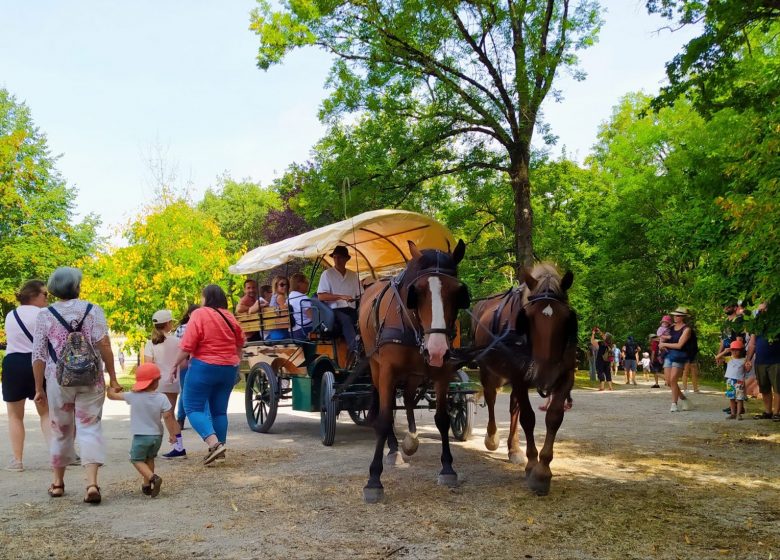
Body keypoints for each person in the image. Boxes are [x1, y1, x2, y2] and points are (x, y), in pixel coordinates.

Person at [31, 267, 121, 503]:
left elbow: (38, 354)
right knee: (89, 428)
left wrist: (38, 388)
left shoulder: (45, 315)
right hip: (92, 379)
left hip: (59, 380)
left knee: (61, 430)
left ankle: (58, 483)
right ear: (76, 286)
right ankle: (91, 484)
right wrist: (113, 376)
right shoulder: (93, 310)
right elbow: (105, 345)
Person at [170, 285, 244, 465]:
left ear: (206, 298)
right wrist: (236, 362)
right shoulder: (229, 316)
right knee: (219, 411)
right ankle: (219, 448)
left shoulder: (199, 314)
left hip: (204, 366)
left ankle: (214, 444)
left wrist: (174, 364)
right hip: (228, 368)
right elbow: (240, 342)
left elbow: (188, 344)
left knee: (192, 407)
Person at [106, 363, 179, 497]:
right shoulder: (162, 397)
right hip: (157, 436)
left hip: (141, 436)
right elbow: (168, 416)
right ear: (156, 382)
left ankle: (153, 478)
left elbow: (112, 396)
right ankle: (146, 485)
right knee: (149, 458)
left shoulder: (133, 396)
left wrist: (112, 389)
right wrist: (173, 435)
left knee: (136, 459)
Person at [2, 280, 52, 472]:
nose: (47, 298)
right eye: (45, 294)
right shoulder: (44, 314)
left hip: (13, 363)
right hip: (38, 363)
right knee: (46, 412)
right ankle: (54, 455)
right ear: (34, 295)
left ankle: (17, 460)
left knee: (15, 415)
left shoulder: (10, 315)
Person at [144, 309, 186, 459]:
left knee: (155, 418)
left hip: (156, 384)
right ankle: (178, 446)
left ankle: (151, 447)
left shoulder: (150, 343)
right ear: (168, 324)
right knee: (170, 415)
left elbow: (148, 366)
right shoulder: (177, 341)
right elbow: (184, 363)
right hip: (172, 383)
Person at [317, 246, 362, 353]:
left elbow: (361, 294)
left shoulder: (353, 275)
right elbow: (321, 296)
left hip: (352, 309)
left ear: (347, 259)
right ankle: (356, 350)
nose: (337, 260)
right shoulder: (327, 274)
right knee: (346, 320)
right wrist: (341, 296)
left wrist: (355, 299)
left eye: (340, 258)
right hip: (334, 310)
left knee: (365, 319)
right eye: (335, 257)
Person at [745, 302, 780, 421]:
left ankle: (776, 413)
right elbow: (752, 344)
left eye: (763, 311)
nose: (761, 313)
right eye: (759, 311)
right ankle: (767, 411)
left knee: (778, 388)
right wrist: (748, 360)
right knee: (764, 388)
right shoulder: (757, 326)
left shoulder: (776, 324)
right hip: (760, 361)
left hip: (776, 360)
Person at [658, 307, 692, 412]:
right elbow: (662, 337)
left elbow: (680, 345)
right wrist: (660, 344)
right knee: (668, 381)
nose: (675, 317)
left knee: (673, 379)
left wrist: (664, 344)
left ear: (683, 317)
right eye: (674, 315)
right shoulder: (671, 327)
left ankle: (674, 403)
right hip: (668, 354)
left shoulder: (686, 329)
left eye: (678, 315)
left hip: (679, 355)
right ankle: (683, 398)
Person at [174, 304, 200, 429]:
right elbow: (177, 347)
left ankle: (184, 419)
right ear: (189, 314)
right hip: (186, 362)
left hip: (198, 361)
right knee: (185, 392)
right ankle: (180, 418)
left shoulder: (202, 326)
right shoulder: (182, 329)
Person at [717, 340, 748, 420]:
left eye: (737, 350)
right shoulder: (729, 358)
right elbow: (717, 357)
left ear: (741, 351)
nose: (734, 351)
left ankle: (739, 414)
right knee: (731, 397)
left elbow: (747, 370)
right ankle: (733, 413)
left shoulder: (744, 360)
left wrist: (748, 366)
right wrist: (725, 351)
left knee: (739, 398)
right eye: (733, 349)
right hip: (730, 380)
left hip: (739, 381)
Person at [288, 273, 314, 340]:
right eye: (306, 282)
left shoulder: (289, 298)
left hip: (292, 331)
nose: (308, 284)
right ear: (299, 283)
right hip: (305, 330)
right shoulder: (303, 298)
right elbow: (312, 317)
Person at [264, 276, 290, 340]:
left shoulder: (274, 296)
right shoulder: (280, 297)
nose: (285, 287)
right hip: (280, 329)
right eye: (282, 285)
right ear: (276, 286)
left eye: (287, 285)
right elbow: (286, 313)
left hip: (273, 328)